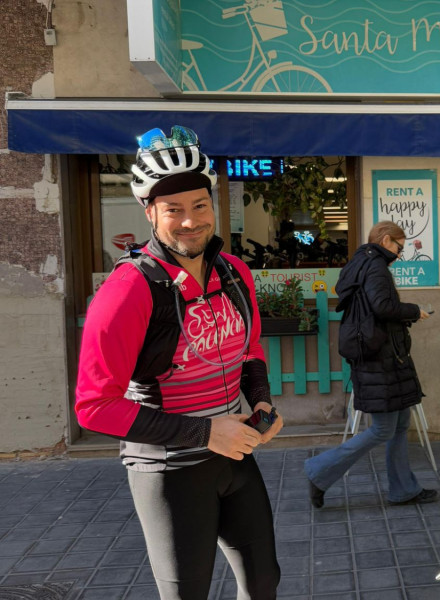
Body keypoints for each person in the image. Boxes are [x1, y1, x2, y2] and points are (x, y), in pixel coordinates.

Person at [75, 125, 283, 600]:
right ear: (150, 212)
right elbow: (94, 406)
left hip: (233, 456)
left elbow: (249, 349)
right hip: (169, 470)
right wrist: (206, 431)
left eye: (200, 205)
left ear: (215, 206)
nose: (190, 221)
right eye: (173, 210)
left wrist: (263, 402)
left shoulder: (234, 273)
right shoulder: (127, 290)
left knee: (264, 581)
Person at [304, 221, 437, 507]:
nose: (399, 254)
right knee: (383, 429)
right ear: (386, 240)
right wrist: (414, 311)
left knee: (400, 423)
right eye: (399, 248)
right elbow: (383, 307)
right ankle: (318, 471)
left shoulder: (360, 262)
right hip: (381, 358)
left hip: (381, 355)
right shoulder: (376, 267)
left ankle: (403, 489)